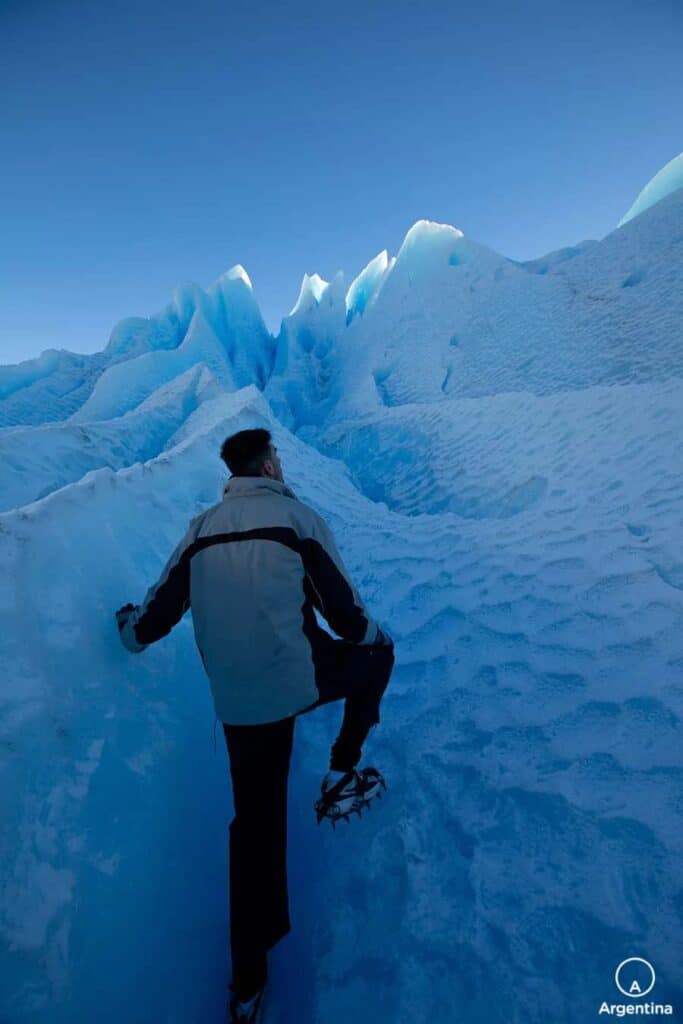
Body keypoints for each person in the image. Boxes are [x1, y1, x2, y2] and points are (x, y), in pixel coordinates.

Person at [115, 427, 395, 1023]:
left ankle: (247, 987)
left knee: (255, 832)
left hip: (239, 705)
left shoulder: (200, 529)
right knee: (378, 656)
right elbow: (345, 618)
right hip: (299, 681)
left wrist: (127, 626)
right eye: (279, 458)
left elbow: (154, 618)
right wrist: (375, 637)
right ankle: (340, 772)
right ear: (269, 465)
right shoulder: (298, 519)